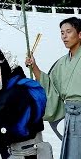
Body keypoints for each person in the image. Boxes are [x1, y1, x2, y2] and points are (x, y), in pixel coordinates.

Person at [25, 17, 81, 159]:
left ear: (80, 34)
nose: (64, 36)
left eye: (68, 32)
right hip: (70, 115)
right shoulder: (62, 62)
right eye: (62, 33)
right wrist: (34, 66)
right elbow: (50, 85)